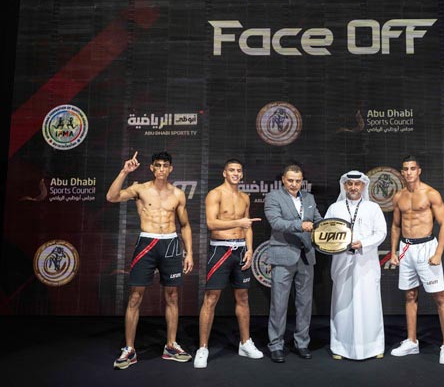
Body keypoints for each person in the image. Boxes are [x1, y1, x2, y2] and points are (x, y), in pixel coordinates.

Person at [106, 151, 194, 370]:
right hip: (147, 243)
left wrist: (189, 253)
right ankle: (129, 349)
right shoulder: (140, 189)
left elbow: (185, 225)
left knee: (172, 296)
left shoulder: (178, 194)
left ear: (170, 168)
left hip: (170, 244)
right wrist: (124, 171)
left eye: (165, 165)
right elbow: (112, 197)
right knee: (135, 296)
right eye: (158, 165)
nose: (161, 169)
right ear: (152, 168)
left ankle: (171, 346)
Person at [194, 159, 264, 368]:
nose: (235, 173)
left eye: (238, 171)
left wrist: (250, 250)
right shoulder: (215, 194)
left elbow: (248, 226)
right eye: (232, 170)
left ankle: (245, 343)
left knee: (243, 297)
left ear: (242, 174)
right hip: (220, 250)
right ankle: (203, 348)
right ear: (224, 173)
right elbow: (211, 223)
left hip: (240, 249)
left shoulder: (244, 197)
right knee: (211, 298)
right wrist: (238, 222)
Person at [389, 155, 444, 365]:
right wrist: (393, 252)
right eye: (405, 169)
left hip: (427, 247)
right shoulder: (399, 196)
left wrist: (438, 252)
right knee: (410, 295)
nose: (409, 172)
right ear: (402, 172)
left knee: (439, 297)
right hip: (406, 248)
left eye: (412, 168)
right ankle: (412, 341)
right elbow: (396, 226)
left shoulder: (431, 194)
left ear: (419, 171)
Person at [263, 163, 323, 363]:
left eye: (297, 181)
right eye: (290, 180)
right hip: (283, 256)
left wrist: (329, 228)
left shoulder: (309, 198)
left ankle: (302, 343)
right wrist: (301, 225)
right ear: (283, 180)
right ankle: (276, 345)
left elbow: (317, 221)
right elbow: (276, 222)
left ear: (302, 180)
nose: (294, 184)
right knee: (279, 303)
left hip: (306, 256)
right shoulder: (273, 197)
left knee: (305, 304)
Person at [326, 170, 387, 360]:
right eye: (350, 184)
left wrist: (363, 244)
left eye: (357, 184)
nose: (353, 187)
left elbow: (381, 233)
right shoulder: (334, 208)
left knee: (369, 303)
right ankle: (340, 347)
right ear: (344, 186)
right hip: (341, 262)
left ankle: (373, 347)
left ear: (363, 186)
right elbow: (325, 233)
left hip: (366, 263)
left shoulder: (373, 208)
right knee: (342, 305)